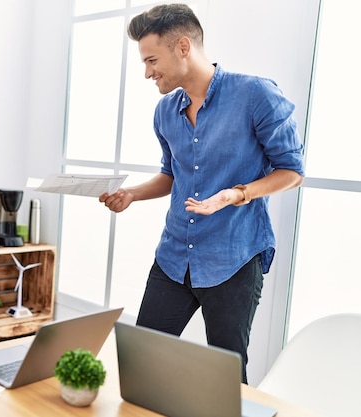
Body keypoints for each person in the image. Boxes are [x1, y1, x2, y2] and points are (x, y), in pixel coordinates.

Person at [99, 3, 304, 383]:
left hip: (234, 257)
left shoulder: (255, 94)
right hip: (175, 255)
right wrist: (132, 195)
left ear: (182, 47)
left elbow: (292, 172)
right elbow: (171, 175)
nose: (147, 73)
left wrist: (236, 194)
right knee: (141, 359)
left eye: (151, 60)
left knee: (225, 376)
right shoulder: (164, 112)